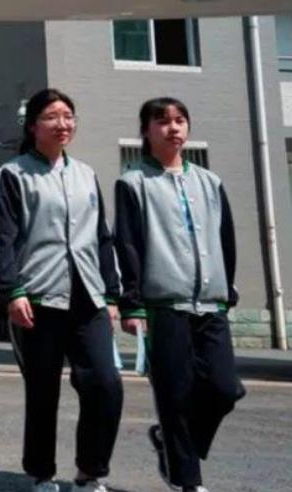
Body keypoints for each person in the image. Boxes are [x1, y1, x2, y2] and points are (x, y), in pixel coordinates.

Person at [0, 88, 123, 492]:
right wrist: (13, 291)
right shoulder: (13, 174)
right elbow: (5, 238)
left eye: (68, 115)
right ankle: (41, 473)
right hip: (37, 298)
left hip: (88, 296)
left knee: (105, 384)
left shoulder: (86, 174)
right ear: (33, 126)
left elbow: (102, 238)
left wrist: (113, 294)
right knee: (43, 391)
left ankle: (89, 471)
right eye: (52, 116)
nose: (62, 123)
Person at [114, 97, 245, 492]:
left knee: (224, 388)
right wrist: (132, 303)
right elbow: (129, 245)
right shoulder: (133, 182)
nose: (173, 128)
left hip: (210, 303)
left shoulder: (209, 182)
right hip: (162, 305)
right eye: (163, 122)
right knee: (174, 395)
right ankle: (186, 479)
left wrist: (226, 288)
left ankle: (170, 445)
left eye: (180, 121)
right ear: (147, 131)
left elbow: (226, 241)